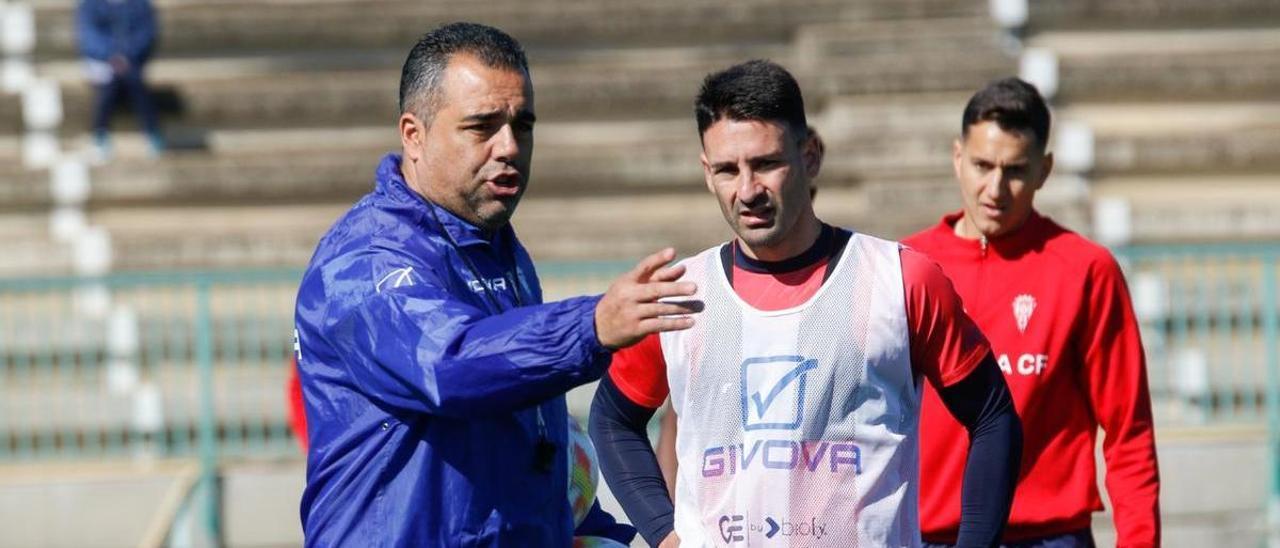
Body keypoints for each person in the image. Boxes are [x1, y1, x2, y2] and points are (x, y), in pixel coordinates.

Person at [294, 22, 701, 546]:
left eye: (522, 125)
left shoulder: (497, 247)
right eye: (482, 126)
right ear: (413, 135)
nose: (509, 146)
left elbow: (526, 435)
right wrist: (592, 326)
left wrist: (599, 534)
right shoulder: (364, 261)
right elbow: (452, 366)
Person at [589, 59, 1023, 547]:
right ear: (707, 173)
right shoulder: (681, 295)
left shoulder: (902, 279)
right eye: (728, 170)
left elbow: (993, 418)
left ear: (809, 156)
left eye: (767, 163)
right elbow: (612, 419)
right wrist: (664, 534)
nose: (748, 190)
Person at [906, 78, 1160, 547]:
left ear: (1044, 170)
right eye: (982, 165)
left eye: (1016, 170)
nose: (995, 188)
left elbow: (1129, 431)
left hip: (1048, 537)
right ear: (957, 157)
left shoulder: (1086, 270)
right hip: (929, 535)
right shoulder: (909, 267)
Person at [75, 0, 164, 157]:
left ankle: (152, 133)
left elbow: (147, 33)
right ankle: (100, 135)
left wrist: (127, 55)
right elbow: (89, 36)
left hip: (132, 61)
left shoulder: (140, 4)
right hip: (100, 61)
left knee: (134, 81)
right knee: (109, 85)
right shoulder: (90, 4)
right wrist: (110, 55)